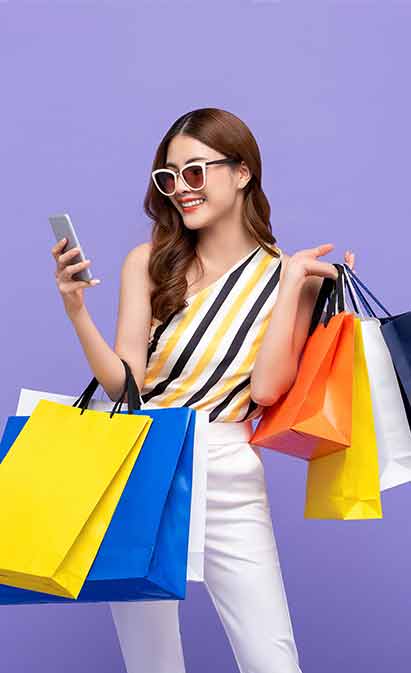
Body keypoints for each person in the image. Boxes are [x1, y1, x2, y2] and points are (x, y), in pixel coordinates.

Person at [51, 107, 356, 673]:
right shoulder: (147, 263)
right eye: (169, 178)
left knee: (272, 658)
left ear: (241, 173)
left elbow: (265, 390)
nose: (181, 190)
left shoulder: (288, 275)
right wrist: (77, 313)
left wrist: (291, 285)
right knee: (151, 662)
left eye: (196, 172)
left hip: (227, 464)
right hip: (141, 461)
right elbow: (125, 383)